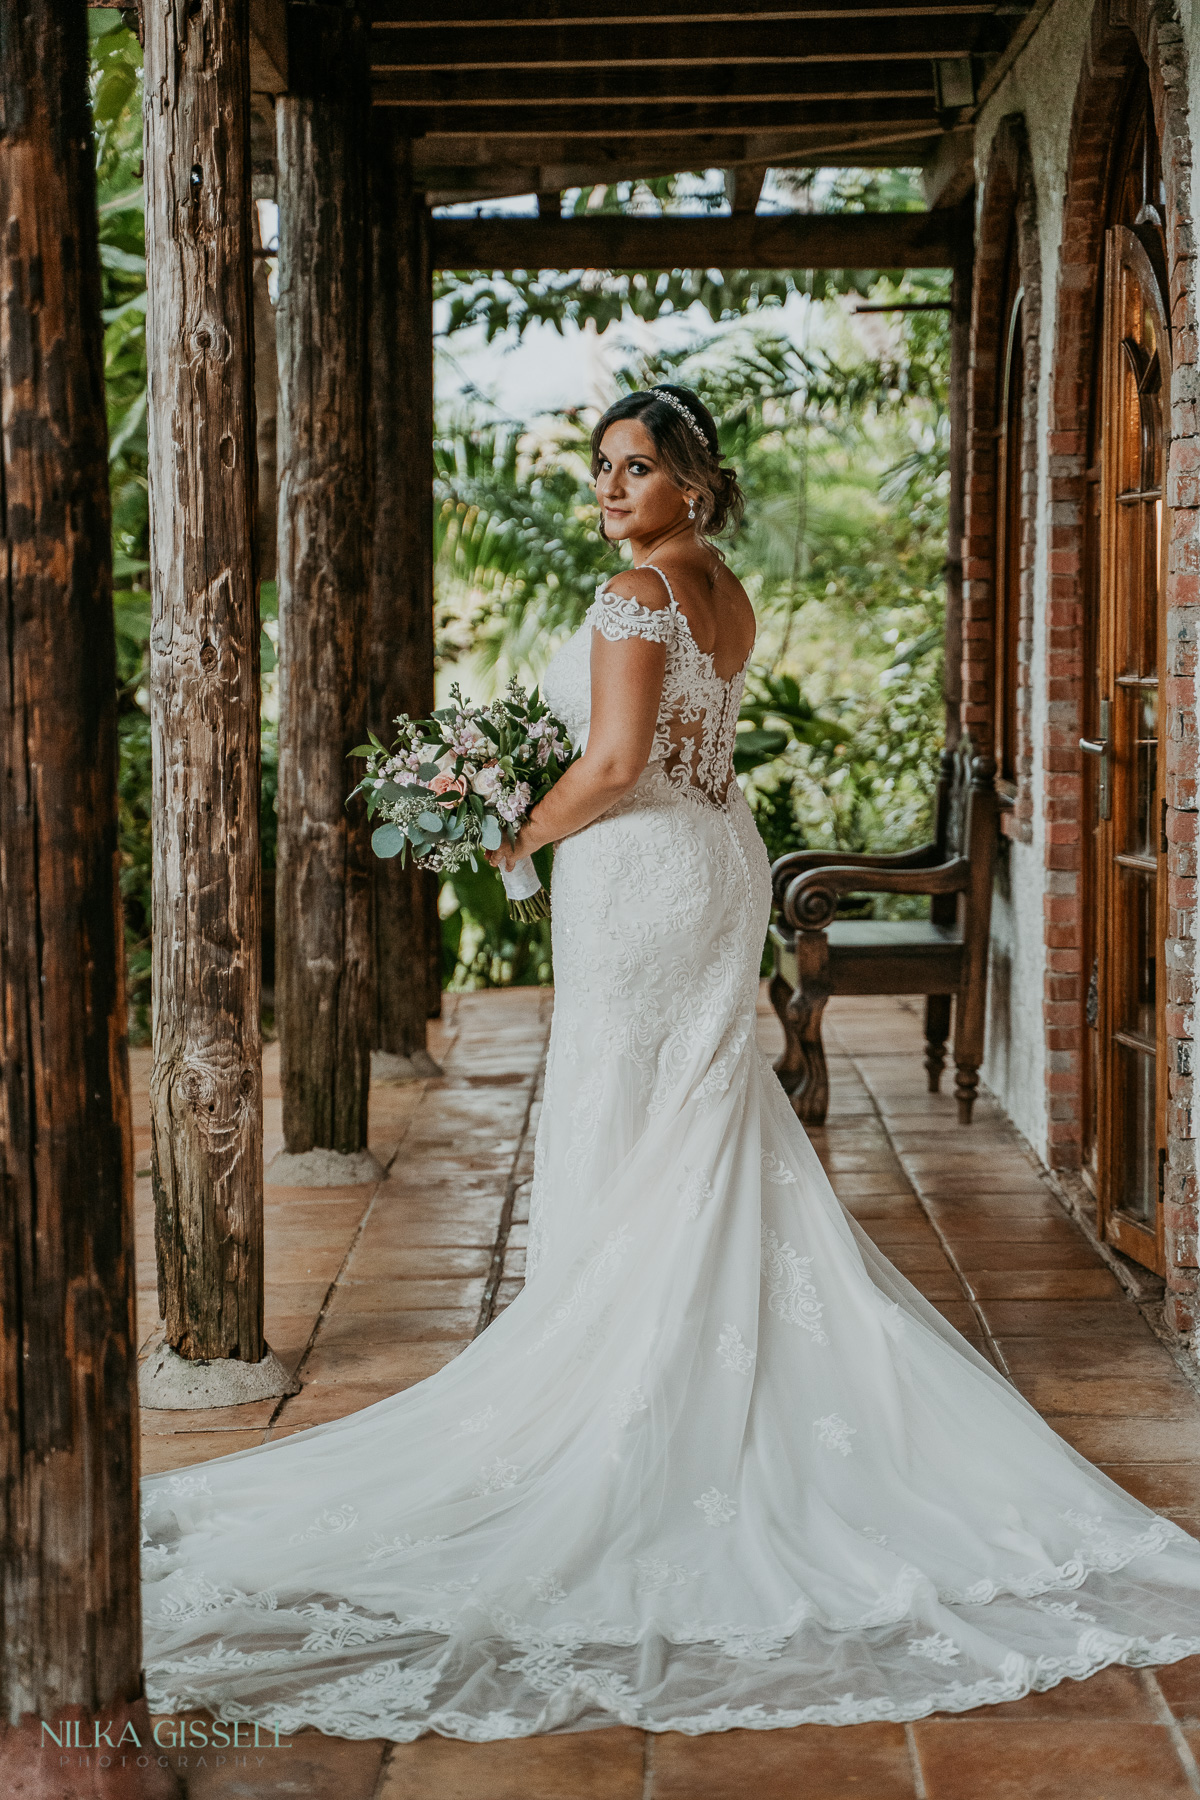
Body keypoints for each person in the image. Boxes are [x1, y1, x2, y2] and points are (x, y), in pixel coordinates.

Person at [141, 385, 1200, 1743]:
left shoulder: (636, 595)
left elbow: (621, 758)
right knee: (698, 1103)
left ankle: (623, 1370)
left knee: (628, 1097)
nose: (609, 487)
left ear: (690, 481)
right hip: (712, 865)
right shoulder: (722, 588)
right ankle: (704, 1336)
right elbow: (689, 751)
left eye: (635, 467)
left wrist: (514, 830)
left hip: (641, 875)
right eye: (601, 467)